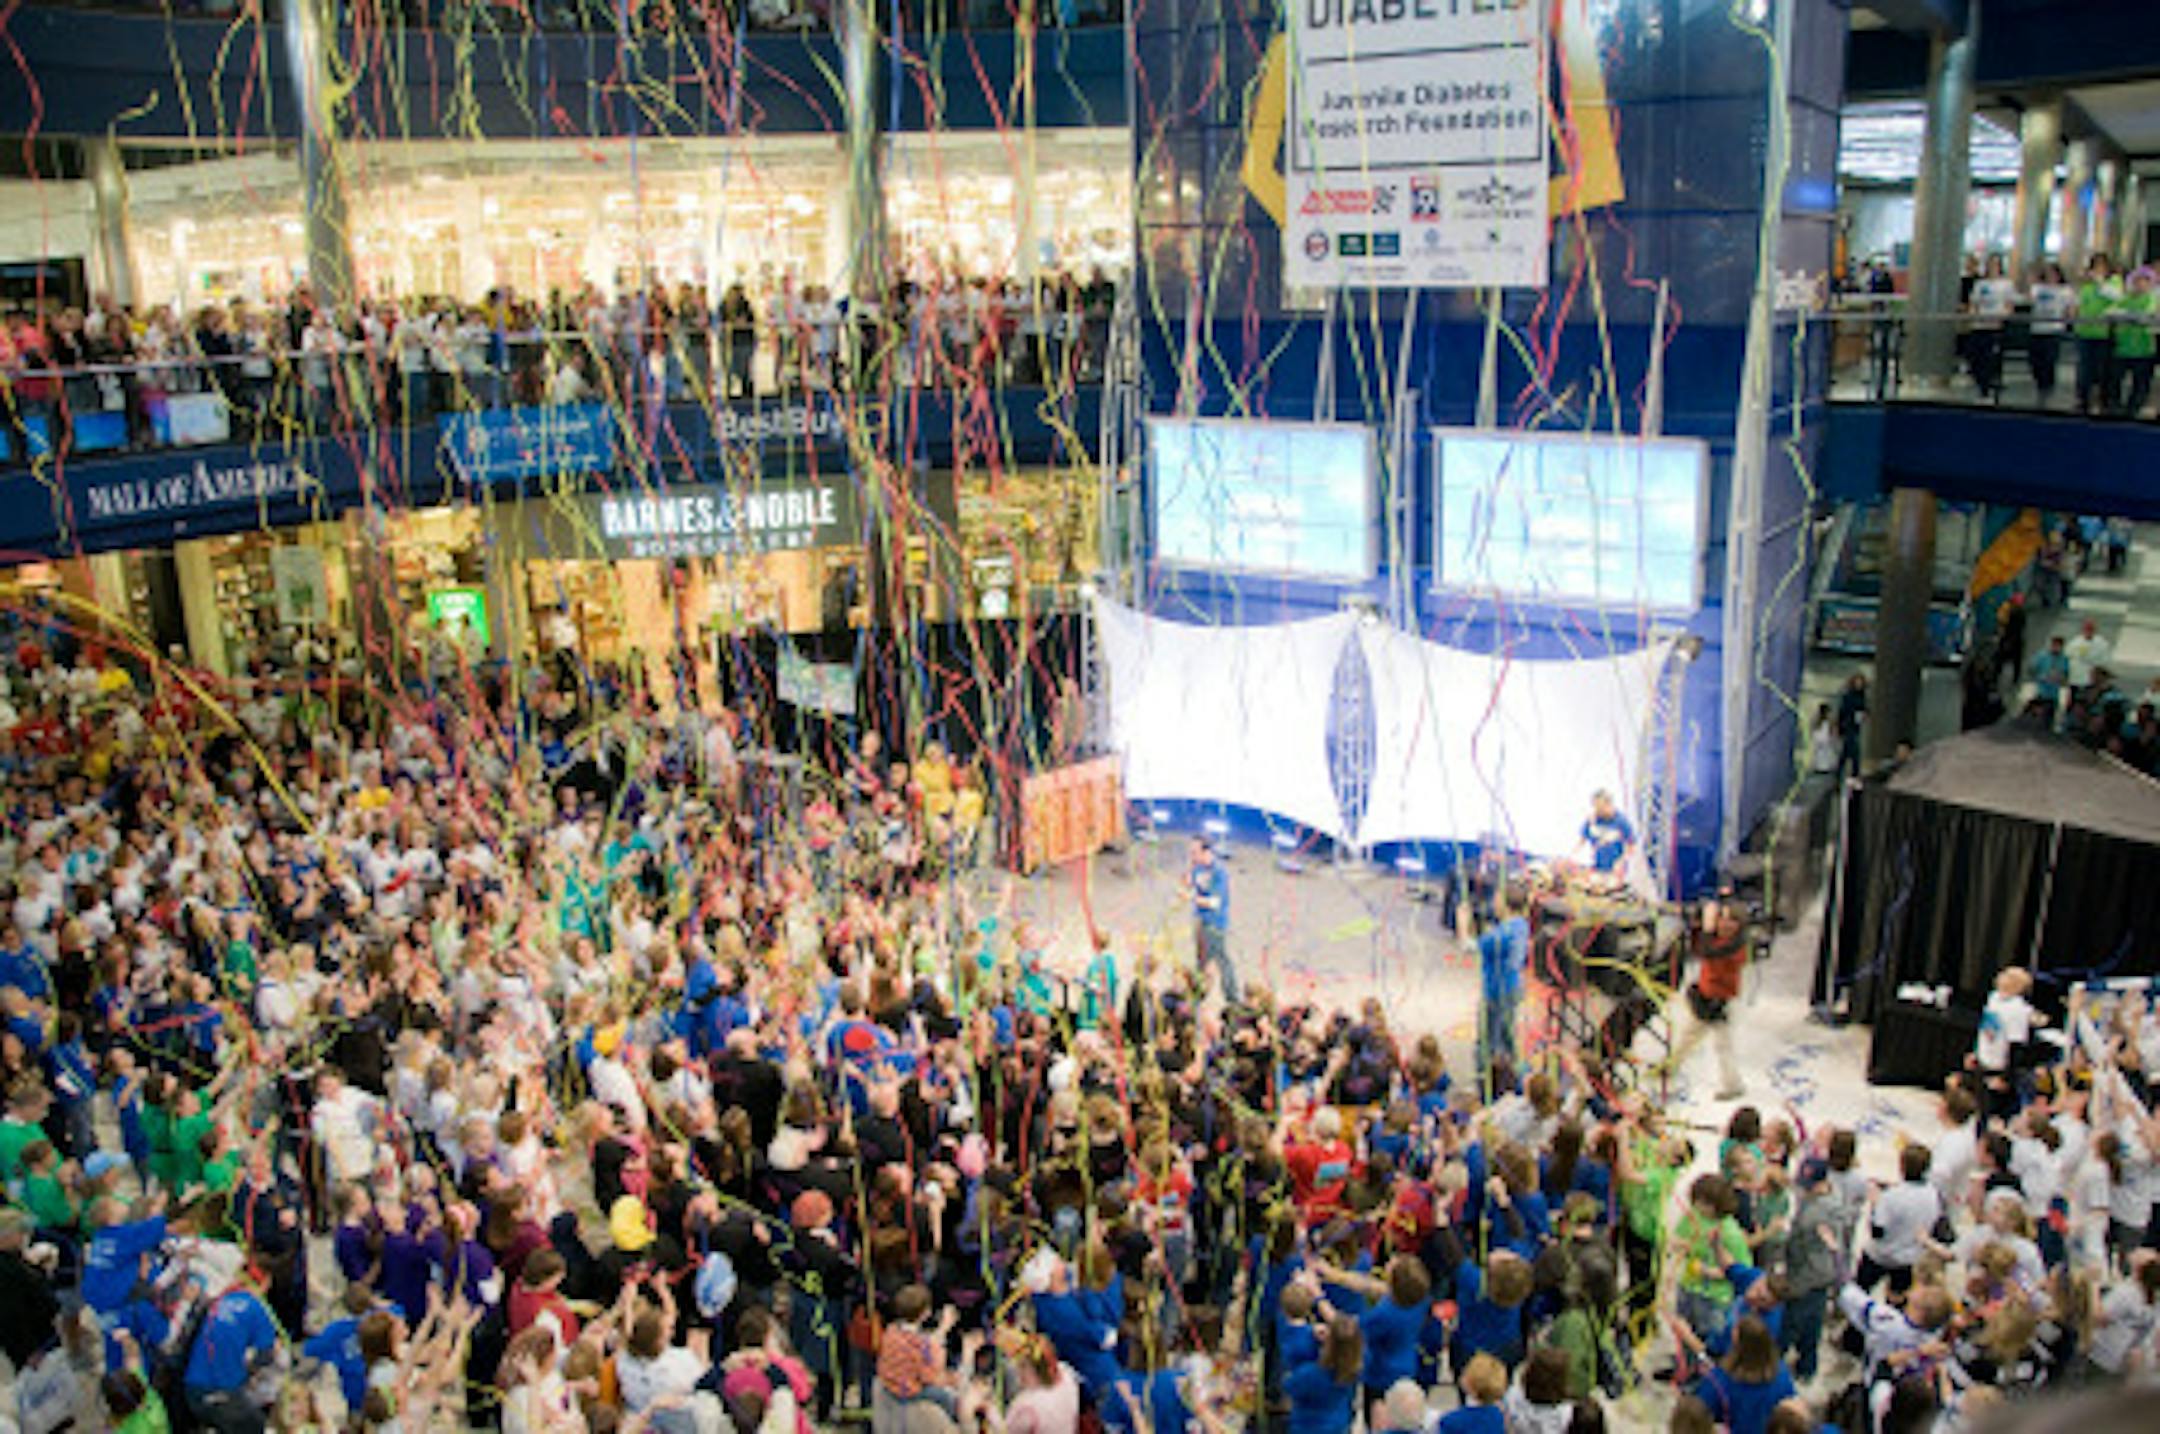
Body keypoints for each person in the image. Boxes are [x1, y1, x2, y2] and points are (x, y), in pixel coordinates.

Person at [1669, 896, 1748, 1100]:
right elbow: (1698, 948)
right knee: (1689, 1035)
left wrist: (1706, 928)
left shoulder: (1735, 948)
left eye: (1730, 920)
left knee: (1722, 1045)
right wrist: (1698, 923)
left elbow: (1708, 952)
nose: (1723, 924)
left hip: (1720, 1003)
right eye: (1721, 918)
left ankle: (1733, 1084)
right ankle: (1670, 1066)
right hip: (1705, 997)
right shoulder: (1718, 939)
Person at [1466, 886, 1530, 1085]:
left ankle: (1485, 1081)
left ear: (1504, 904)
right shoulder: (1521, 925)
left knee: (1487, 1041)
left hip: (1495, 992)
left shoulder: (1502, 935)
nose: (1493, 903)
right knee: (1506, 1035)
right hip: (1513, 988)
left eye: (1496, 899)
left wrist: (1462, 922)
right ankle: (1514, 1075)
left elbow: (1469, 946)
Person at [1185, 837, 1234, 1004]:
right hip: (1200, 920)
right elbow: (1189, 884)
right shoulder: (1197, 868)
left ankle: (1232, 997)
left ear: (1206, 851)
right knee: (1201, 959)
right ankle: (1199, 993)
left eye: (1194, 852)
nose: (1192, 855)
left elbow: (1215, 902)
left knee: (1220, 959)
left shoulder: (1218, 872)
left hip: (1214, 923)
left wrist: (1191, 897)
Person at [2076, 254, 2124, 414]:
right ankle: (2083, 400)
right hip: (2085, 331)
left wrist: (2099, 282)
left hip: (2104, 333)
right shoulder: (2086, 286)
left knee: (2103, 369)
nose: (2097, 269)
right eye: (2095, 266)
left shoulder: (2114, 282)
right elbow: (2080, 303)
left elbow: (2116, 296)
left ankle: (2105, 401)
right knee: (2084, 369)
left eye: (2101, 266)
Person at [2111, 266, 2157, 416]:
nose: (2140, 284)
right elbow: (2111, 312)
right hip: (2123, 347)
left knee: (2140, 383)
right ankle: (2115, 408)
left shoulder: (2153, 299)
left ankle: (2133, 409)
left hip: (2143, 348)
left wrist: (2129, 316)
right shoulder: (2125, 299)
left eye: (2144, 281)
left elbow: (2148, 316)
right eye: (2137, 281)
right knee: (2115, 380)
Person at [2027, 260, 2075, 402]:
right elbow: (2030, 299)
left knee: (2049, 360)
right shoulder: (2038, 288)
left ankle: (2047, 387)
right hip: (2036, 328)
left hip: (2053, 329)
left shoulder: (2065, 290)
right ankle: (2039, 382)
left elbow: (2070, 308)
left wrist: (2067, 320)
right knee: (2034, 360)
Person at [1575, 791, 1635, 877]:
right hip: (1596, 867)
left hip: (1615, 869)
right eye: (1595, 807)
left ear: (1609, 805)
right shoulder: (1592, 820)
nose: (1598, 811)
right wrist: (1573, 856)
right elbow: (1581, 841)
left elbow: (1631, 846)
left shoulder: (1621, 821)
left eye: (1600, 808)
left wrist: (1621, 861)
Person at [2066, 618, 2112, 695]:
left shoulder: (2102, 643)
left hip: (2092, 680)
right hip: (2075, 679)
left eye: (2091, 628)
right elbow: (2068, 656)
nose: (2088, 630)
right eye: (2086, 628)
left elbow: (2104, 661)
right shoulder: (2075, 642)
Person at [1835, 673, 1868, 777]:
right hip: (1848, 725)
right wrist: (1840, 727)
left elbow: (1864, 709)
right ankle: (1854, 773)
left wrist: (1865, 714)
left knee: (1847, 752)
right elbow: (1842, 711)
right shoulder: (1848, 696)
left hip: (1856, 726)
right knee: (1853, 751)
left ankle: (1841, 772)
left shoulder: (1862, 696)